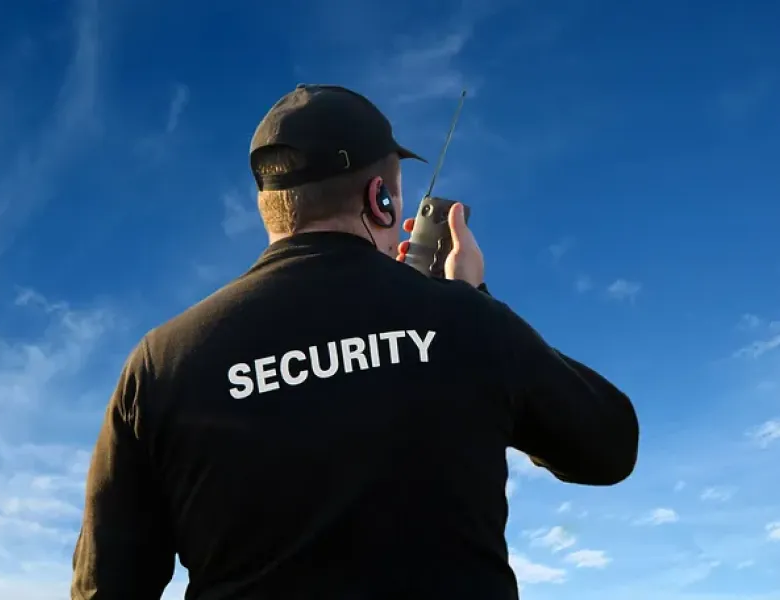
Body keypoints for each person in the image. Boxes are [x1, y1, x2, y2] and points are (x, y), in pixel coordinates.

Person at [70, 84, 639, 600]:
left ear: (270, 206)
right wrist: (472, 297)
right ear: (381, 199)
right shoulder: (467, 320)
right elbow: (610, 446)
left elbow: (104, 590)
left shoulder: (161, 362)